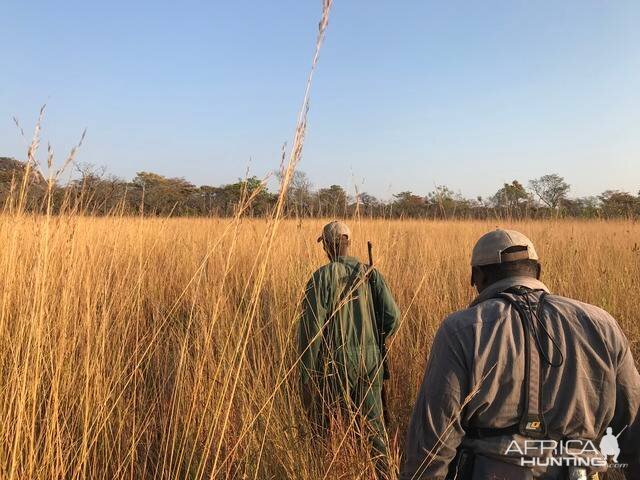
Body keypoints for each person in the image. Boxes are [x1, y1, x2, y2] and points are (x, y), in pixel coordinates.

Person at [400, 228, 640, 480]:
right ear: (538, 270)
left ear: (477, 277)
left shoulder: (462, 329)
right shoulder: (601, 324)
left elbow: (434, 441)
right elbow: (633, 428)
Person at [298, 220, 400, 477]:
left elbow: (311, 332)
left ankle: (331, 472)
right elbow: (393, 318)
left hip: (334, 362)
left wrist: (305, 373)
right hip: (371, 360)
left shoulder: (320, 278)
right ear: (348, 243)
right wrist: (374, 343)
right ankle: (384, 474)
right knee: (374, 430)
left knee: (328, 427)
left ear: (328, 247)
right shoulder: (370, 273)